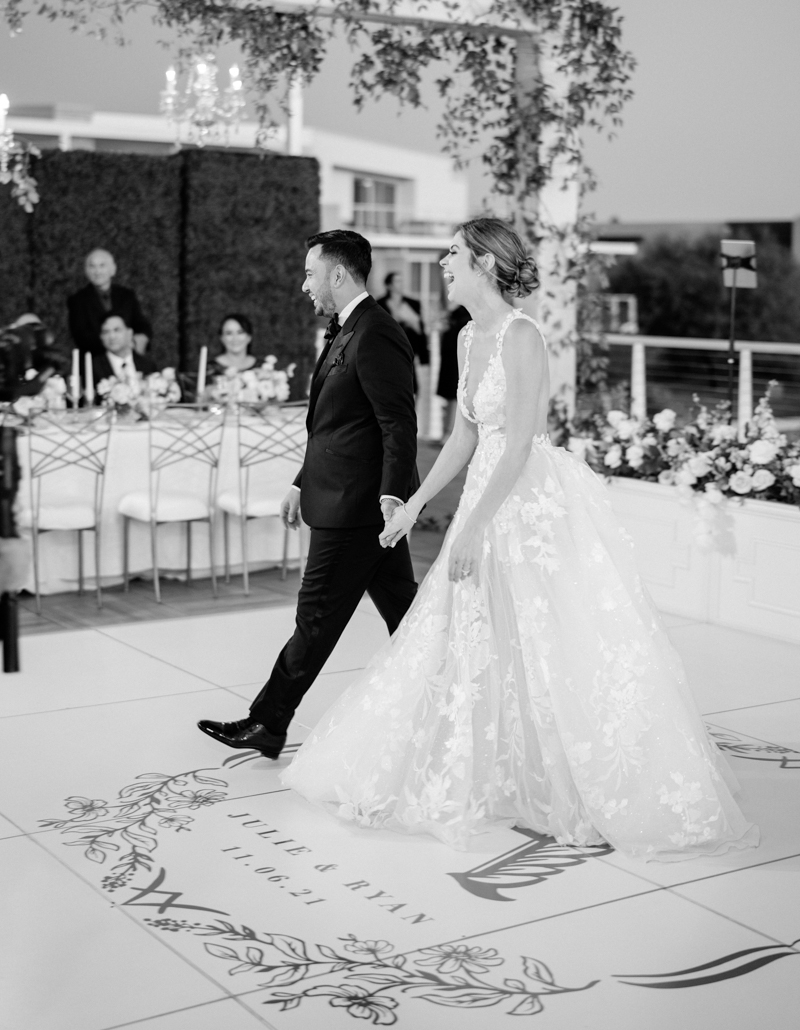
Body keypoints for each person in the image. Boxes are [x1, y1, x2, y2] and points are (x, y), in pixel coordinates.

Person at [282, 217, 759, 862]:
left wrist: (475, 521)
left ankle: (585, 777)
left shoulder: (521, 334)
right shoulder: (467, 337)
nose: (444, 263)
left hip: (525, 500)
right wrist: (415, 504)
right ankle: (495, 767)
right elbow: (465, 435)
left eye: (452, 254)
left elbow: (521, 440)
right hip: (481, 493)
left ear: (483, 260)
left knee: (547, 638)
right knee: (473, 636)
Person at [197, 230, 420, 759]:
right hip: (342, 494)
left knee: (316, 616)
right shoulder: (347, 328)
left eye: (309, 273)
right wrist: (302, 480)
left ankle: (267, 722)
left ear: (337, 275)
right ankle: (459, 691)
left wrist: (393, 499)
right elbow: (336, 426)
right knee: (409, 614)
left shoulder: (377, 333)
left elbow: (397, 424)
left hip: (360, 508)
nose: (304, 285)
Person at [67, 249, 152, 358]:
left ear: (113, 269)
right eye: (92, 266)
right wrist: (119, 345)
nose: (97, 271)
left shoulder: (127, 295)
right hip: (96, 363)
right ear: (86, 271)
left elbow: (141, 324)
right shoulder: (77, 300)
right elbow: (81, 337)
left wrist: (140, 339)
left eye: (102, 266)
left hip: (127, 361)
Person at [377, 272, 429, 392]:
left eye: (401, 281)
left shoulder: (413, 304)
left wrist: (424, 357)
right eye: (397, 281)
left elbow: (421, 331)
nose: (401, 284)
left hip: (407, 350)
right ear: (388, 285)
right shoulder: (379, 304)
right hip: (387, 352)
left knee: (410, 387)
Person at [92, 313, 157, 392]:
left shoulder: (148, 365)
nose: (112, 336)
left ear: (130, 333)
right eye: (106, 332)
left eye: (117, 330)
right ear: (101, 337)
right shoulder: (93, 368)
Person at [435, 302, 470, 441]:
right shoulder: (454, 312)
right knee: (448, 397)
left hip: (458, 360)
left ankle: (450, 432)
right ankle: (445, 431)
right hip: (449, 358)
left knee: (456, 396)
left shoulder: (466, 313)